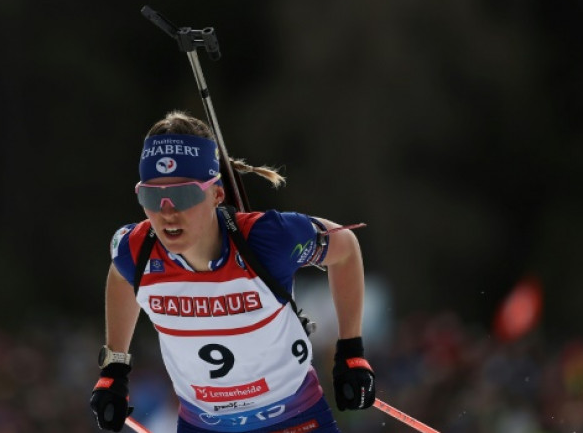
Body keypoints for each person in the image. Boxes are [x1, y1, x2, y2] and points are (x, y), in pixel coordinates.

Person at [90, 111, 376, 433]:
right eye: (152, 196)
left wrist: (351, 351)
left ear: (216, 193)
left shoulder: (269, 240)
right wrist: (114, 368)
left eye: (183, 194)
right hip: (204, 425)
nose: (167, 212)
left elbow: (345, 247)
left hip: (294, 419)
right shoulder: (136, 250)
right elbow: (120, 276)